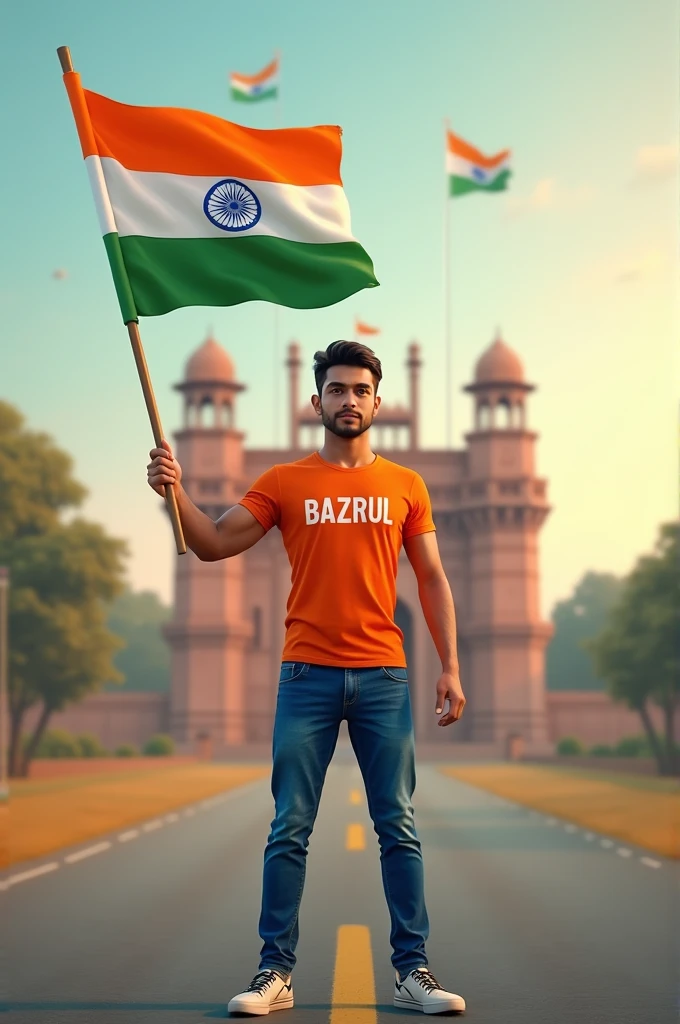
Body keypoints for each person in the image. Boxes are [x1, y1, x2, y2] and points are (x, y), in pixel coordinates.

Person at [147, 340, 467, 1016]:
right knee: (289, 826)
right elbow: (212, 544)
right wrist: (176, 492)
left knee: (398, 826)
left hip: (383, 674)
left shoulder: (406, 485)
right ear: (313, 399)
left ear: (378, 401)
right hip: (307, 676)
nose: (348, 400)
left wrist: (451, 667)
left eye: (359, 389)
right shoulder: (284, 482)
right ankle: (275, 974)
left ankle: (415, 971)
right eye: (336, 389)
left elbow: (432, 579)